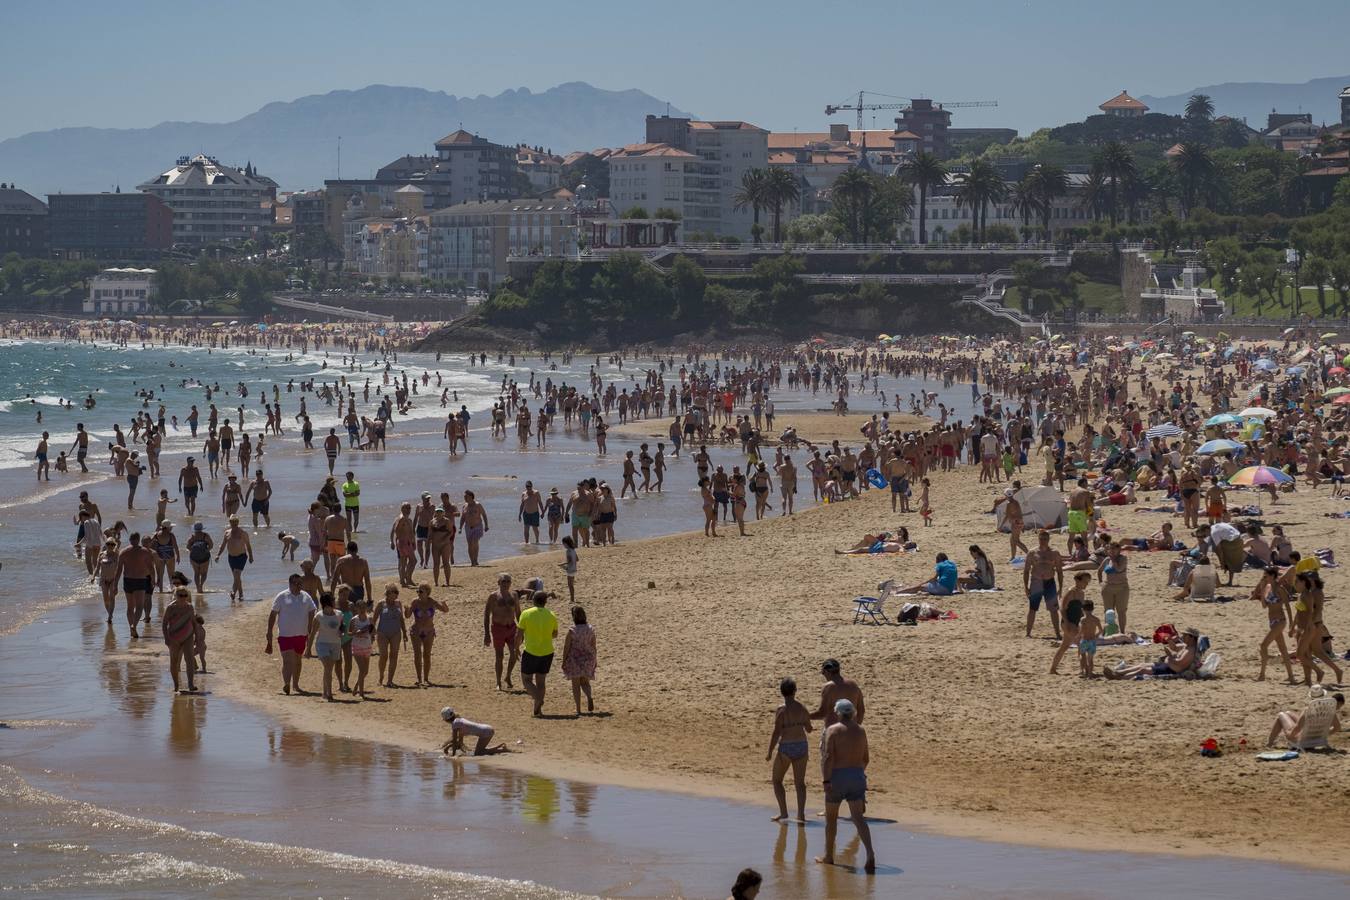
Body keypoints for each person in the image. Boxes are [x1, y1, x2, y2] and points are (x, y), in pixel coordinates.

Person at [816, 699, 876, 873]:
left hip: (837, 777)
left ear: (838, 713)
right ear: (853, 713)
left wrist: (826, 780)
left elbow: (828, 758)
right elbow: (866, 759)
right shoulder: (861, 730)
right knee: (859, 818)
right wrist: (857, 773)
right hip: (856, 776)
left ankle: (829, 856)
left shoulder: (832, 730)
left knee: (831, 819)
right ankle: (870, 853)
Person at [766, 676, 813, 823]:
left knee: (777, 780)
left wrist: (769, 751)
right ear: (795, 691)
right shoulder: (802, 708)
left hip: (786, 747)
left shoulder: (781, 710)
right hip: (801, 746)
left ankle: (784, 812)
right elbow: (809, 729)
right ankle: (800, 815)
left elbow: (776, 732)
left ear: (782, 692)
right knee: (800, 783)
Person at [266, 573, 317, 695]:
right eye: (296, 583)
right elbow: (273, 614)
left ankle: (296, 685)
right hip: (285, 635)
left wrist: (310, 626)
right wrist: (269, 631)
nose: (299, 585)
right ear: (290, 584)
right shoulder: (282, 596)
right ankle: (287, 684)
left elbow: (312, 610)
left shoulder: (306, 596)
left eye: (300, 583)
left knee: (298, 660)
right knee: (288, 660)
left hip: (301, 634)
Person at [517, 589, 559, 717]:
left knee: (526, 680)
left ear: (533, 600)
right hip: (547, 652)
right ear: (546, 602)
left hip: (531, 651)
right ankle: (537, 710)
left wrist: (515, 648)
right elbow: (555, 634)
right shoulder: (551, 615)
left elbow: (519, 634)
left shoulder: (526, 613)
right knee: (541, 681)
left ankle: (538, 699)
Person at [1103, 628, 1202, 679]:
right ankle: (1117, 673)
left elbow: (1179, 663)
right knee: (1142, 665)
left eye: (1185, 635)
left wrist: (1169, 655)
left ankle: (1119, 678)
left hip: (1170, 670)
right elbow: (1175, 647)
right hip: (1167, 665)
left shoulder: (1190, 651)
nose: (1183, 637)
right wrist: (1170, 640)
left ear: (1191, 637)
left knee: (1143, 670)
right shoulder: (1186, 646)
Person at [1266, 686, 1343, 748]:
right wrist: (1323, 734)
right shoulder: (1330, 710)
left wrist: (1290, 736)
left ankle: (1269, 743)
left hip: (1303, 741)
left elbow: (1298, 728)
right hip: (1318, 739)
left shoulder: (1308, 710)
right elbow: (1337, 727)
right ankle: (1270, 743)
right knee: (1288, 713)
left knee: (1281, 715)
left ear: (1311, 697)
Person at [483, 574, 523, 690]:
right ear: (498, 582)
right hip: (498, 628)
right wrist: (486, 634)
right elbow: (486, 615)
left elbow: (519, 613)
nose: (506, 583)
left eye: (508, 581)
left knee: (514, 654)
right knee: (499, 656)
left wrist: (521, 630)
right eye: (503, 581)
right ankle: (498, 682)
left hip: (511, 628)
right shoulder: (493, 596)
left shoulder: (514, 595)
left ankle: (508, 676)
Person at [1023, 529, 1064, 640]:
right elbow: (1026, 570)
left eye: (1045, 539)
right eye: (1041, 539)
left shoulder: (1054, 553)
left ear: (1048, 540)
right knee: (1033, 608)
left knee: (1053, 609)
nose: (1043, 541)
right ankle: (1028, 633)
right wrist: (1026, 587)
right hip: (1036, 582)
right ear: (1038, 539)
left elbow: (1060, 571)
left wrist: (1060, 587)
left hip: (1050, 582)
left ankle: (1057, 633)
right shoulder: (1032, 552)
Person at [406, 583, 448, 687]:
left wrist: (444, 604)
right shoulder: (415, 602)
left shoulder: (432, 602)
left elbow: (445, 610)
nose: (418, 593)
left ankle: (426, 679)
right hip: (416, 631)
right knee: (417, 655)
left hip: (429, 632)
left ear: (427, 593)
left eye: (421, 591)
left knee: (427, 655)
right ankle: (419, 679)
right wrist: (406, 609)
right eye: (417, 591)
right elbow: (407, 616)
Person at [306, 592, 345, 701]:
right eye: (333, 599)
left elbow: (342, 627)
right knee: (328, 667)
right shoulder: (319, 616)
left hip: (336, 643)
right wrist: (308, 649)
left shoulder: (339, 614)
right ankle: (330, 693)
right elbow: (312, 633)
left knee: (328, 669)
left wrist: (342, 631)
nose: (335, 601)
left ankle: (324, 692)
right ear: (328, 602)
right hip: (322, 644)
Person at [1050, 572, 1090, 674]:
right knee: (1082, 646)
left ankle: (1053, 669)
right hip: (1069, 623)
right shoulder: (1071, 592)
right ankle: (1085, 670)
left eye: (1087, 582)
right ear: (1077, 580)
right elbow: (1062, 608)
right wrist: (1067, 623)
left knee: (1064, 646)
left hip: (1076, 623)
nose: (1086, 584)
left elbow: (1080, 611)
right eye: (1085, 581)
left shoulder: (1081, 593)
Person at [161, 587, 198, 693]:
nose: (183, 598)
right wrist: (166, 638)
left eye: (185, 595)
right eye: (180, 595)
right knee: (174, 661)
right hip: (174, 637)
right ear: (175, 596)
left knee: (189, 660)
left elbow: (194, 622)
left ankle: (191, 684)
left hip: (188, 636)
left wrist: (196, 636)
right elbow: (164, 624)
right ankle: (176, 685)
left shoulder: (189, 607)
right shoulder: (170, 608)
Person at [561, 605, 596, 715]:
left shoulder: (572, 630)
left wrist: (563, 660)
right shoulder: (590, 629)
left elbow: (566, 647)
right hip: (588, 658)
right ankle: (589, 696)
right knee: (585, 682)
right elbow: (594, 645)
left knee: (575, 684)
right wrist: (595, 659)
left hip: (575, 659)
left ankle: (578, 709)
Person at [374, 584, 408, 687]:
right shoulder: (381, 604)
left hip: (396, 633)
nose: (396, 596)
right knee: (383, 655)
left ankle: (390, 680)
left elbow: (401, 619)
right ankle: (381, 676)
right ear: (388, 594)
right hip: (382, 633)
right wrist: (372, 632)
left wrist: (405, 632)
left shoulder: (398, 604)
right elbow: (374, 619)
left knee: (394, 655)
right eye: (394, 593)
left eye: (397, 593)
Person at [440, 707, 508, 756]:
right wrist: (448, 747)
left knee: (478, 753)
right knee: (480, 751)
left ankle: (502, 749)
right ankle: (500, 747)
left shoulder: (455, 724)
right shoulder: (459, 720)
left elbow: (454, 741)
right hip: (487, 729)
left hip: (486, 732)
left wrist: (453, 755)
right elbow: (460, 742)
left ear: (446, 719)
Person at [215, 516, 254, 603]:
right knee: (236, 577)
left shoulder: (243, 533)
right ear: (230, 523)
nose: (234, 524)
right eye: (232, 522)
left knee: (237, 575)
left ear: (238, 523)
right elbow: (223, 545)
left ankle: (233, 592)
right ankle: (241, 595)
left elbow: (248, 545)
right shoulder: (227, 533)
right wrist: (218, 555)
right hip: (231, 557)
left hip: (241, 556)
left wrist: (251, 556)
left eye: (235, 522)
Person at [1096, 540, 1130, 632]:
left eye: (1114, 549)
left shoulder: (1123, 559)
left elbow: (1119, 569)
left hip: (1121, 588)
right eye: (1110, 549)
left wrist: (1113, 559)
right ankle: (1108, 630)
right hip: (1108, 587)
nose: (1112, 551)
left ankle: (1122, 631)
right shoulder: (1107, 560)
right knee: (1108, 611)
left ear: (1119, 550)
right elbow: (1099, 571)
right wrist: (1101, 582)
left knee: (1121, 611)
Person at [1078, 600, 1102, 677]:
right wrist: (1096, 635)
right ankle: (1090, 673)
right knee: (1090, 659)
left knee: (1082, 656)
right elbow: (1101, 630)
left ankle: (1082, 671)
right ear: (1093, 609)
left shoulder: (1083, 619)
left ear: (1082, 609)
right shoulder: (1096, 619)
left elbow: (1081, 630)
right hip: (1092, 641)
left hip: (1084, 640)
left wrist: (1077, 636)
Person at [561, 535, 578, 603]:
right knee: (572, 585)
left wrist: (563, 565)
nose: (563, 545)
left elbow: (569, 561)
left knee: (570, 585)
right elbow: (577, 559)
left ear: (566, 543)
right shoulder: (573, 550)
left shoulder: (568, 551)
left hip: (570, 569)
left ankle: (572, 599)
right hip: (574, 568)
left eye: (564, 544)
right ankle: (572, 598)